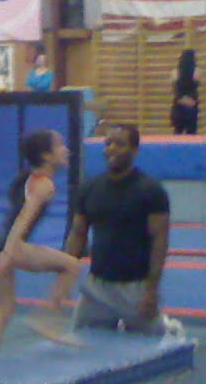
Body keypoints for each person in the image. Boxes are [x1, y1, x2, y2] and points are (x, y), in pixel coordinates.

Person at [62, 122, 179, 336]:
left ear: (134, 150)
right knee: (80, 340)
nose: (112, 149)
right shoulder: (89, 188)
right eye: (108, 143)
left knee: (154, 344)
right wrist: (64, 275)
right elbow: (78, 234)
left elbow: (159, 242)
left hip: (135, 288)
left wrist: (151, 291)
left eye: (120, 144)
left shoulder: (151, 191)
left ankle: (169, 328)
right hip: (97, 287)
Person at [0, 129, 83, 355]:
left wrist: (3, 253)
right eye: (60, 146)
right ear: (46, 156)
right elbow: (23, 219)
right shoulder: (43, 185)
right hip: (10, 244)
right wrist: (8, 254)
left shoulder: (28, 178)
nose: (66, 150)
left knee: (5, 308)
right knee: (72, 266)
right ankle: (47, 318)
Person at [170, 49, 200, 135]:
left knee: (177, 131)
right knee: (192, 133)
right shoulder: (197, 72)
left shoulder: (175, 72)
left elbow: (174, 89)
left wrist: (182, 98)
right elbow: (195, 87)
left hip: (179, 102)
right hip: (192, 102)